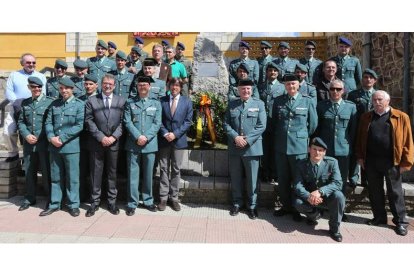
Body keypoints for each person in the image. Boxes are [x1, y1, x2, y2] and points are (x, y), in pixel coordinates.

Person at [355, 90, 413, 236]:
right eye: (374, 100)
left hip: (392, 161)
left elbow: (408, 140)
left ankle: (400, 222)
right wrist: (360, 157)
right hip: (371, 161)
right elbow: (360, 138)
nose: (377, 102)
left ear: (388, 101)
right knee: (375, 191)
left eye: (380, 99)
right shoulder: (366, 117)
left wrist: (407, 161)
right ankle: (379, 217)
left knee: (395, 193)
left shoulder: (401, 117)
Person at [271, 74, 317, 221]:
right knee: (283, 179)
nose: (291, 86)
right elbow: (274, 123)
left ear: (299, 85)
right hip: (281, 147)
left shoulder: (307, 101)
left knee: (298, 180)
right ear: (284, 85)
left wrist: (302, 137)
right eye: (288, 84)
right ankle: (286, 207)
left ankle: (297, 209)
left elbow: (313, 124)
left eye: (293, 84)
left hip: (299, 148)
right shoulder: (278, 101)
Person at [40, 78, 85, 217]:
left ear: (72, 89)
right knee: (55, 176)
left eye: (67, 88)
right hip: (54, 146)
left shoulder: (79, 105)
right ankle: (55, 204)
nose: (64, 91)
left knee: (72, 177)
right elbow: (48, 123)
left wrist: (62, 138)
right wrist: (51, 137)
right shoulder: (54, 104)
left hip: (71, 147)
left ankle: (73, 204)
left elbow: (79, 125)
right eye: (61, 88)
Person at [84, 74, 126, 217]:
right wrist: (101, 137)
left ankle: (111, 202)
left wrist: (113, 137)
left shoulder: (121, 101)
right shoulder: (92, 100)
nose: (108, 86)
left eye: (110, 84)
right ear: (101, 85)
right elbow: (89, 121)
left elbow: (123, 122)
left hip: (114, 143)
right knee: (95, 173)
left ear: (114, 86)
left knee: (112, 173)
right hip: (96, 143)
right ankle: (94, 202)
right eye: (105, 83)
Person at [224, 79, 266, 220]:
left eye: (248, 89)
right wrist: (236, 137)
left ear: (252, 90)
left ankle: (252, 206)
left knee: (252, 179)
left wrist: (246, 140)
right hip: (235, 147)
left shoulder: (259, 104)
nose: (245, 91)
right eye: (243, 89)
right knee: (235, 178)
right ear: (238, 90)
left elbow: (261, 126)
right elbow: (226, 124)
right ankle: (237, 203)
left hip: (252, 148)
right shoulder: (232, 104)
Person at [315, 80, 357, 221]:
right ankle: (321, 207)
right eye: (332, 89)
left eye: (338, 89)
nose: (335, 91)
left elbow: (353, 131)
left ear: (343, 91)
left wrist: (349, 146)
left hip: (342, 151)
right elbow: (317, 129)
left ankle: (340, 210)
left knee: (341, 182)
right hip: (325, 151)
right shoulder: (321, 106)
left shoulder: (351, 107)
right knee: (322, 179)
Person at [293, 137, 345, 242]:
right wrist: (309, 196)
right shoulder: (301, 164)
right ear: (309, 149)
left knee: (339, 196)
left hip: (326, 198)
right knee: (297, 202)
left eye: (320, 150)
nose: (317, 152)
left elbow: (338, 183)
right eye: (314, 149)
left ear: (324, 152)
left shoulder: (332, 162)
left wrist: (320, 192)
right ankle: (314, 216)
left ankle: (334, 229)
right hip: (309, 199)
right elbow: (298, 186)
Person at [123, 76, 162, 216]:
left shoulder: (156, 104)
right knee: (133, 175)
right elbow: (127, 122)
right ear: (137, 87)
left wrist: (146, 137)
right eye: (140, 85)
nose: (143, 87)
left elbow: (157, 123)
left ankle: (148, 201)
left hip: (150, 144)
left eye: (145, 84)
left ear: (150, 86)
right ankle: (132, 203)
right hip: (133, 144)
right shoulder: (129, 102)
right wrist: (138, 136)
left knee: (148, 174)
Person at [17, 77, 54, 211]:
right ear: (29, 88)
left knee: (46, 172)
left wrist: (39, 136)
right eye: (34, 87)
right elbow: (21, 122)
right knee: (29, 171)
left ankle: (51, 199)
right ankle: (30, 198)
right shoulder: (25, 103)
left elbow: (50, 122)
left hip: (43, 143)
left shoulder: (50, 102)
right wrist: (26, 134)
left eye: (39, 87)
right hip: (29, 144)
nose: (37, 89)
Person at [158, 78, 193, 211]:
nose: (174, 88)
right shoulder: (162, 101)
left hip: (179, 140)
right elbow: (158, 120)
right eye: (172, 85)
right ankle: (163, 198)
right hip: (164, 140)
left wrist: (175, 134)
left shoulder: (187, 102)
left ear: (180, 87)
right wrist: (166, 133)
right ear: (169, 86)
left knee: (176, 169)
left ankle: (174, 198)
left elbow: (188, 122)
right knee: (163, 168)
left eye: (177, 85)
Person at [4, 53, 47, 162]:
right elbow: (9, 91)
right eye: (28, 62)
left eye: (33, 62)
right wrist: (17, 103)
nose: (31, 64)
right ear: (22, 63)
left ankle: (29, 161)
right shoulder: (14, 75)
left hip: (34, 107)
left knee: (29, 134)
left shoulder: (41, 76)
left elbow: (44, 92)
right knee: (8, 132)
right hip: (15, 106)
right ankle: (13, 153)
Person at [347, 68, 378, 187]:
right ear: (362, 79)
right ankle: (353, 177)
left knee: (368, 153)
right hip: (357, 127)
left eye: (371, 78)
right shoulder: (353, 94)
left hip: (372, 129)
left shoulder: (378, 95)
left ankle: (366, 179)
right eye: (365, 77)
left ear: (375, 80)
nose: (368, 79)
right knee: (356, 152)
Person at [258, 62, 284, 182]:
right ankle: (265, 172)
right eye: (270, 70)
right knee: (264, 149)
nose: (272, 72)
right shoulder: (261, 86)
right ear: (266, 72)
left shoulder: (282, 87)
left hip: (276, 122)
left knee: (275, 149)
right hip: (263, 123)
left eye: (274, 70)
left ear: (278, 73)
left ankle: (275, 173)